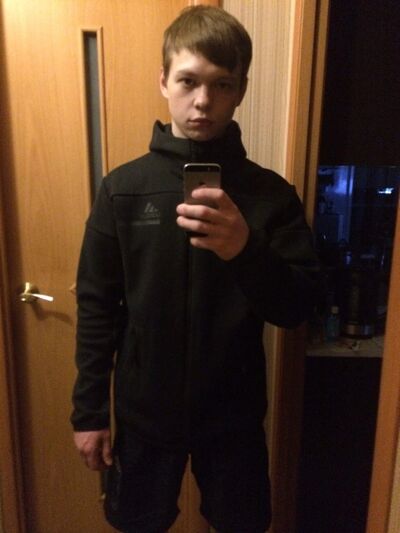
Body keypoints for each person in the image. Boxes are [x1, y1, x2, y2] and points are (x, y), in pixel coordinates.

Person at [71, 5, 319, 533]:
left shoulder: (271, 196)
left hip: (234, 420)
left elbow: (298, 307)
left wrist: (246, 250)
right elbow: (96, 307)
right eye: (188, 81)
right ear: (164, 81)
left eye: (221, 84)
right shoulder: (123, 190)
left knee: (242, 524)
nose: (203, 100)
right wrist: (88, 413)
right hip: (143, 416)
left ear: (240, 91)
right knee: (136, 524)